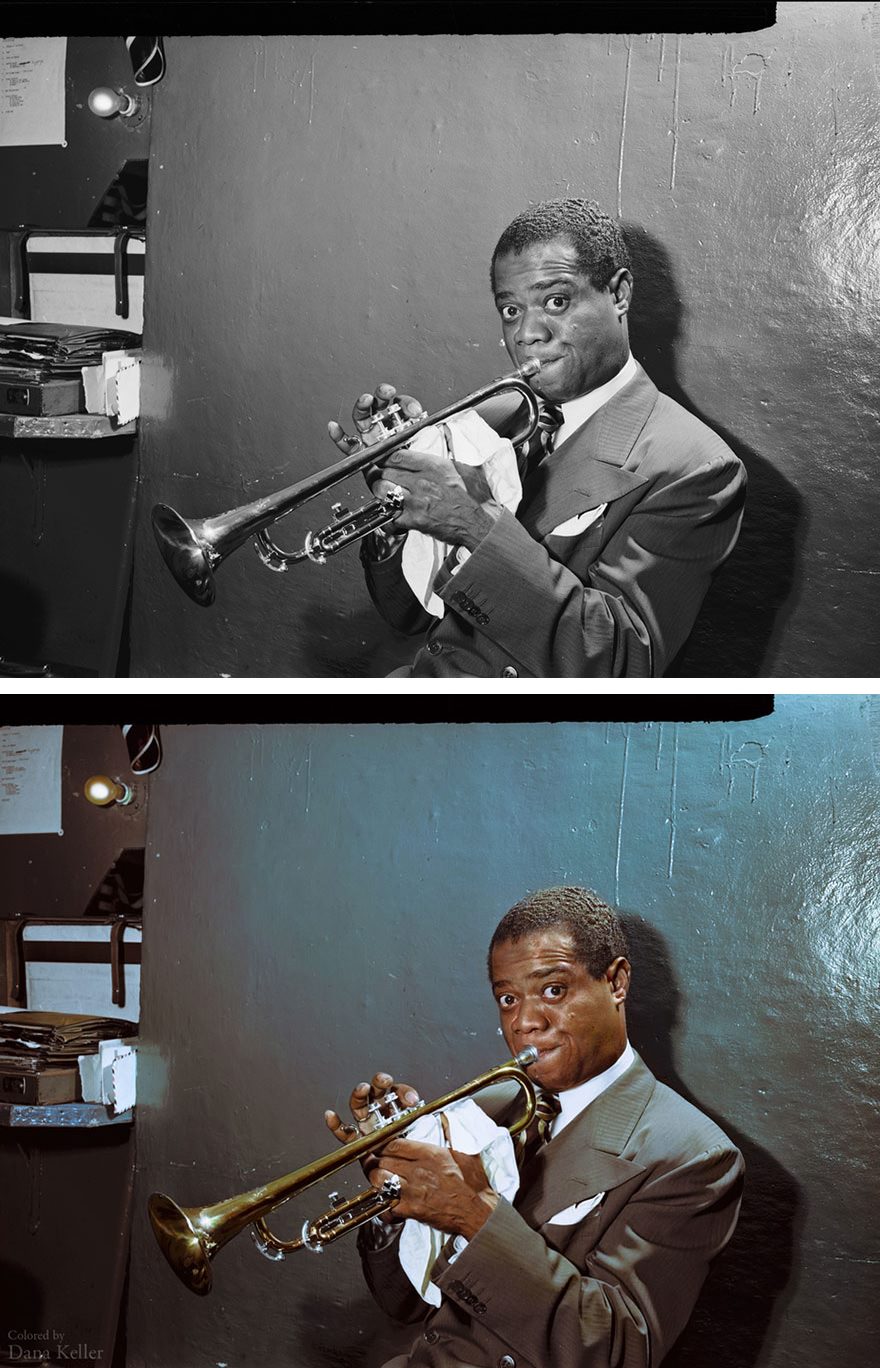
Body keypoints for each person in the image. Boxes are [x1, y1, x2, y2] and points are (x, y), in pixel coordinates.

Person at [325, 886, 744, 1367]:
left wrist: (471, 1213)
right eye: (507, 998)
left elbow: (618, 1352)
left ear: (617, 982)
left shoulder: (692, 1155)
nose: (524, 1021)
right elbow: (406, 1304)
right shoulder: (488, 1106)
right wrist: (398, 1201)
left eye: (553, 990)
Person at [327, 199, 746, 677]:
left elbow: (621, 665)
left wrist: (472, 521)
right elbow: (408, 616)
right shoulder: (491, 418)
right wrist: (399, 514)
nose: (526, 333)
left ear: (620, 294)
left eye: (556, 301)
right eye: (510, 310)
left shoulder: (696, 466)